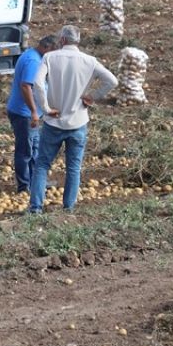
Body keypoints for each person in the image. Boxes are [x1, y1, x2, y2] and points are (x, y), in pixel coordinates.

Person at [28, 25, 118, 214]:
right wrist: (93, 96)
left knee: (42, 165)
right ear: (78, 41)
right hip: (78, 122)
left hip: (54, 121)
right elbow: (112, 81)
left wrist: (45, 108)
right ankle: (68, 208)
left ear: (61, 40)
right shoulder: (89, 61)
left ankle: (36, 208)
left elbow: (37, 83)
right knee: (73, 168)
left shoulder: (49, 57)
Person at [6, 35, 57, 194]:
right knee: (25, 151)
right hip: (24, 114)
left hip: (26, 113)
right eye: (54, 53)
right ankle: (24, 187)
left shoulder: (30, 54)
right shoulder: (34, 62)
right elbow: (26, 86)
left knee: (34, 148)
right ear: (47, 48)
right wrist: (34, 111)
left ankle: (36, 182)